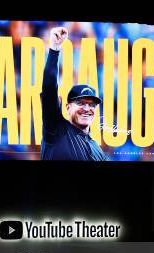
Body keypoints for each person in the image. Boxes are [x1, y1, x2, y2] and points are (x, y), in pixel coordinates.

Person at [41, 26, 109, 161]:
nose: (86, 108)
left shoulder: (97, 149)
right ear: (67, 107)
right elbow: (49, 88)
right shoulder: (57, 129)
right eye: (80, 103)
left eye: (91, 105)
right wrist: (54, 50)